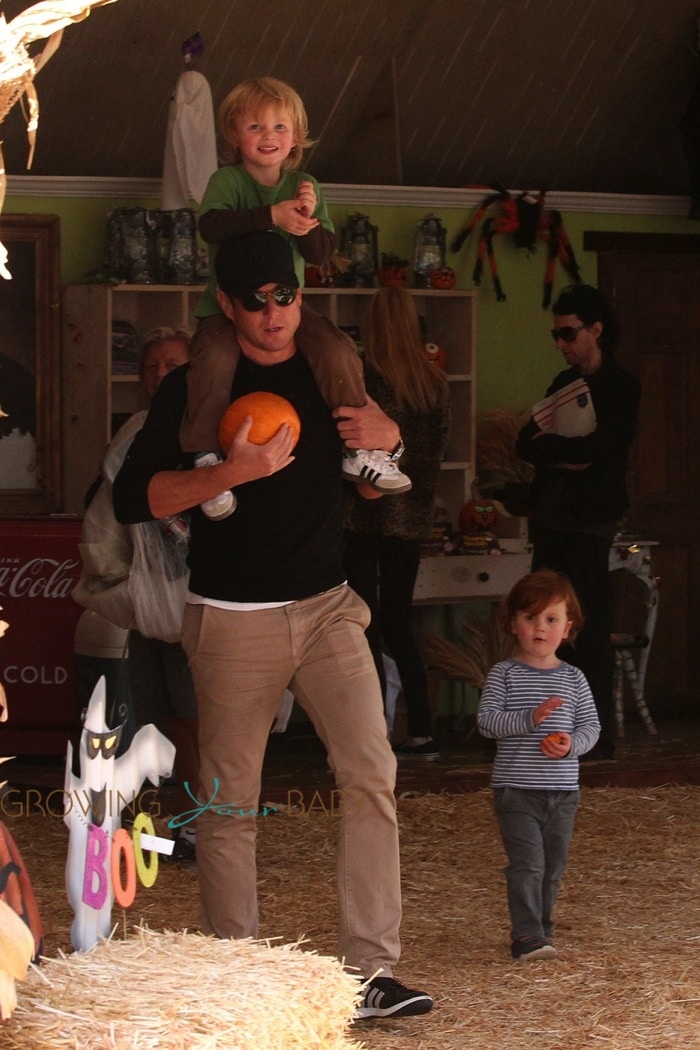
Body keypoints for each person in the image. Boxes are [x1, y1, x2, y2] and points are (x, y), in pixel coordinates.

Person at [112, 230, 433, 1020]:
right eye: (253, 300)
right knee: (229, 806)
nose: (272, 312)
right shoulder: (192, 386)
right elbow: (133, 500)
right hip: (230, 620)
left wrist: (390, 439)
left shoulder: (332, 373)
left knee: (371, 773)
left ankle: (370, 973)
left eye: (284, 295)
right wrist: (229, 474)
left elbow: (377, 473)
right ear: (226, 304)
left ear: (300, 295)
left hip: (327, 609)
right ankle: (235, 979)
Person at [180, 75, 409, 520]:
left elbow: (321, 253)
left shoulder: (305, 183)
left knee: (337, 348)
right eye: (256, 127)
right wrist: (271, 215)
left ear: (296, 137)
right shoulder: (226, 180)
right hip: (230, 309)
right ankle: (206, 459)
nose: (269, 137)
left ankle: (359, 448)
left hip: (291, 307)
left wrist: (307, 220)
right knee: (212, 361)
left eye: (280, 127)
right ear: (234, 135)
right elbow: (211, 228)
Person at [74, 327, 200, 866]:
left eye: (171, 364)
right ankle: (190, 826)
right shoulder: (133, 434)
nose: (159, 375)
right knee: (164, 720)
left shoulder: (208, 429)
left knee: (202, 723)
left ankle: (209, 828)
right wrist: (125, 586)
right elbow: (107, 518)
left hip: (204, 604)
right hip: (148, 608)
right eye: (150, 367)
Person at [515, 284, 640, 760]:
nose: (562, 343)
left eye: (569, 333)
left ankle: (594, 737)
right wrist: (562, 456)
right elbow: (526, 444)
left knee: (587, 627)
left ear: (596, 330)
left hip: (591, 521)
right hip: (551, 517)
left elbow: (600, 454)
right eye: (557, 335)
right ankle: (544, 728)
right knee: (543, 626)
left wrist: (558, 453)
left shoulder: (623, 387)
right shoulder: (559, 384)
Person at [343, 286, 449, 760]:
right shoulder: (434, 383)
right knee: (401, 625)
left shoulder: (363, 381)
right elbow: (435, 455)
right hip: (413, 519)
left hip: (363, 516)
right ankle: (423, 728)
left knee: (363, 624)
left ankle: (371, 732)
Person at [477, 570, 600, 962]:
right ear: (513, 624)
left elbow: (591, 727)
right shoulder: (504, 675)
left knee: (553, 866)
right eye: (530, 618)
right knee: (527, 864)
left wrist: (569, 747)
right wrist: (531, 718)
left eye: (550, 619)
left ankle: (544, 929)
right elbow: (488, 722)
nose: (540, 628)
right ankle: (527, 935)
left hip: (563, 791)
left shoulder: (574, 678)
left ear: (568, 627)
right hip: (517, 790)